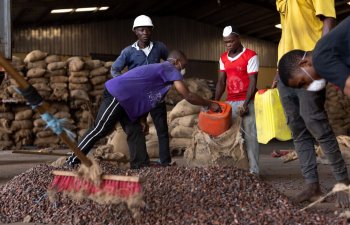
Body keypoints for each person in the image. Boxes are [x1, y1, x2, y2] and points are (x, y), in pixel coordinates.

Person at [66, 50, 221, 169]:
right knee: (100, 128)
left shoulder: (162, 75)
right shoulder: (169, 68)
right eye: (183, 66)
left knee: (135, 131)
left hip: (128, 102)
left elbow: (148, 98)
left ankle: (140, 166)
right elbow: (187, 95)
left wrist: (142, 119)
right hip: (118, 94)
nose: (182, 70)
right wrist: (209, 103)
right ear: (176, 61)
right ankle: (73, 160)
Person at [273, 0, 350, 207]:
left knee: (318, 127)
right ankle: (312, 186)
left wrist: (322, 59)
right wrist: (280, 70)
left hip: (308, 65)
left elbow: (329, 20)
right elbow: (286, 35)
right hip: (287, 70)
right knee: (297, 130)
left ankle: (343, 183)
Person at [110, 15, 172, 166]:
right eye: (141, 30)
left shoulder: (159, 47)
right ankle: (142, 162)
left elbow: (171, 62)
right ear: (135, 31)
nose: (145, 32)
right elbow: (115, 69)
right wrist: (125, 86)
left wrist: (166, 81)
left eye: (148, 30)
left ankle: (165, 162)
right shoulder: (128, 52)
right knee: (138, 129)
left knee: (162, 129)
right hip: (138, 98)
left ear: (151, 31)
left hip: (156, 95)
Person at [215, 25, 260, 175]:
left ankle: (254, 172)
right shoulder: (223, 58)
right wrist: (215, 102)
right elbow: (221, 82)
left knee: (250, 137)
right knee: (232, 137)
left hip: (247, 101)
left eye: (231, 41)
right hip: (230, 102)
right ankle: (239, 170)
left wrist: (246, 104)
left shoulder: (250, 55)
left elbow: (253, 81)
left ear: (238, 38)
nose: (228, 45)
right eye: (225, 42)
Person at [278, 16, 350, 92]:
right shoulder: (327, 52)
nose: (307, 88)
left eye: (303, 83)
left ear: (304, 64)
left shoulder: (318, 59)